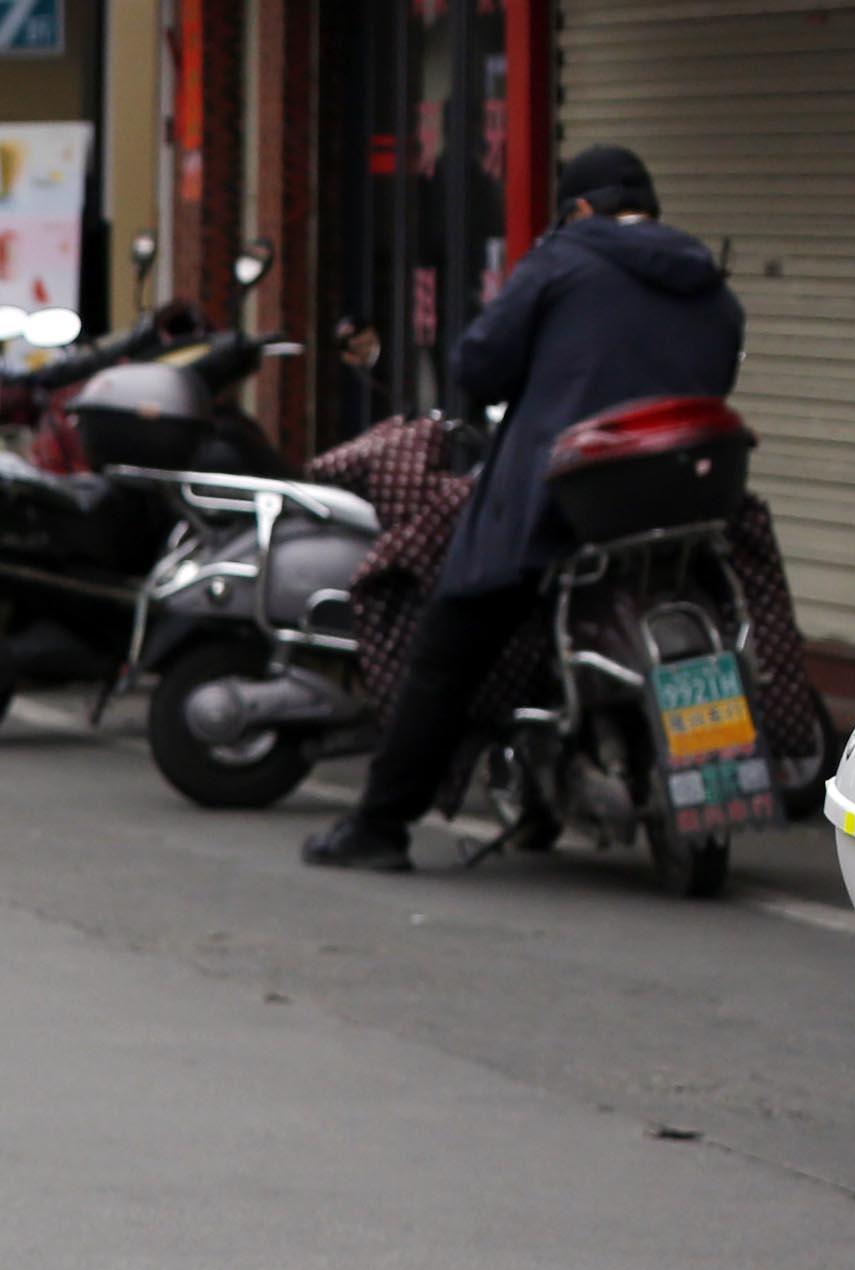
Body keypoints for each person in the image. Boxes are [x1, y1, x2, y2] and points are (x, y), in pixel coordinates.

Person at [302, 142, 743, 872]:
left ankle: (381, 825)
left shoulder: (561, 260)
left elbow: (480, 363)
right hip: (686, 500)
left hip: (566, 498)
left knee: (449, 645)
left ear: (576, 208)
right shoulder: (707, 277)